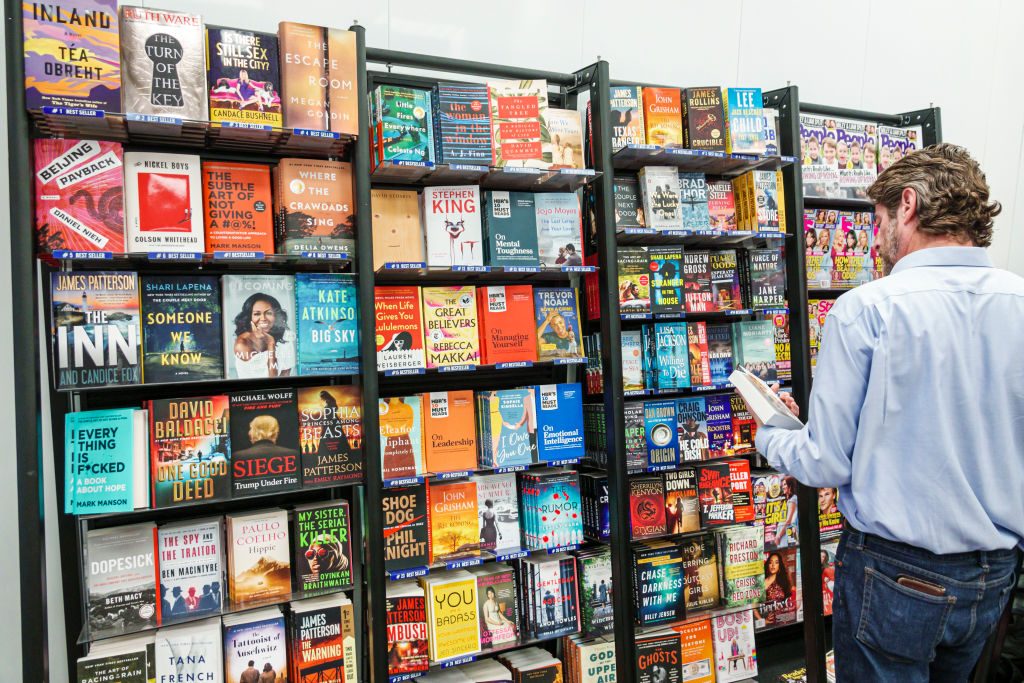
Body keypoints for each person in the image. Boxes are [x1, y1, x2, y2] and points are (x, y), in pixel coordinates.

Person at [753, 144, 1023, 681]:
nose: (875, 241)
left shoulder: (867, 308)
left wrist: (771, 433)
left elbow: (826, 462)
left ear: (908, 205)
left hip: (896, 571)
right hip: (994, 573)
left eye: (878, 222)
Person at [232, 292, 294, 378]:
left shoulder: (285, 337)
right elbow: (272, 378)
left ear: (276, 316)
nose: (263, 318)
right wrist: (271, 344)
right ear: (249, 317)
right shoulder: (242, 343)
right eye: (257, 314)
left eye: (269, 313)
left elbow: (285, 375)